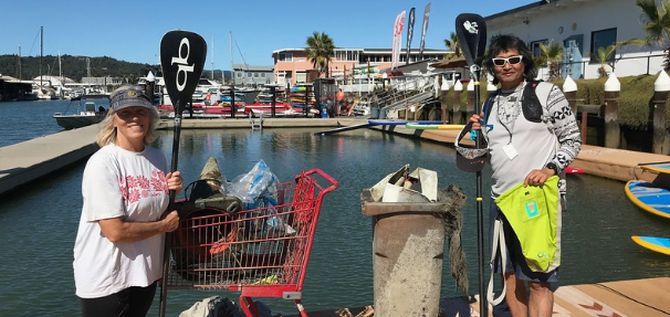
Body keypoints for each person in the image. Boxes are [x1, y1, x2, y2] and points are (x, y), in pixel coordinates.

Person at [469, 35, 581, 317]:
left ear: (524, 61)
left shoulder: (547, 93)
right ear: (492, 67)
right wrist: (474, 132)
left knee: (540, 283)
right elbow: (482, 152)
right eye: (499, 61)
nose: (507, 66)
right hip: (501, 202)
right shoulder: (489, 103)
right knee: (509, 277)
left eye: (514, 59)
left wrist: (550, 169)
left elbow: (573, 140)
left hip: (537, 202)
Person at [73, 85, 183, 317]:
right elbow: (115, 231)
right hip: (108, 278)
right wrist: (164, 227)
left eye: (140, 112)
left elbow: (155, 209)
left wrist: (172, 190)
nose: (134, 118)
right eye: (126, 113)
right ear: (113, 120)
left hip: (144, 274)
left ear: (150, 117)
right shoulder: (103, 163)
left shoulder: (157, 157)